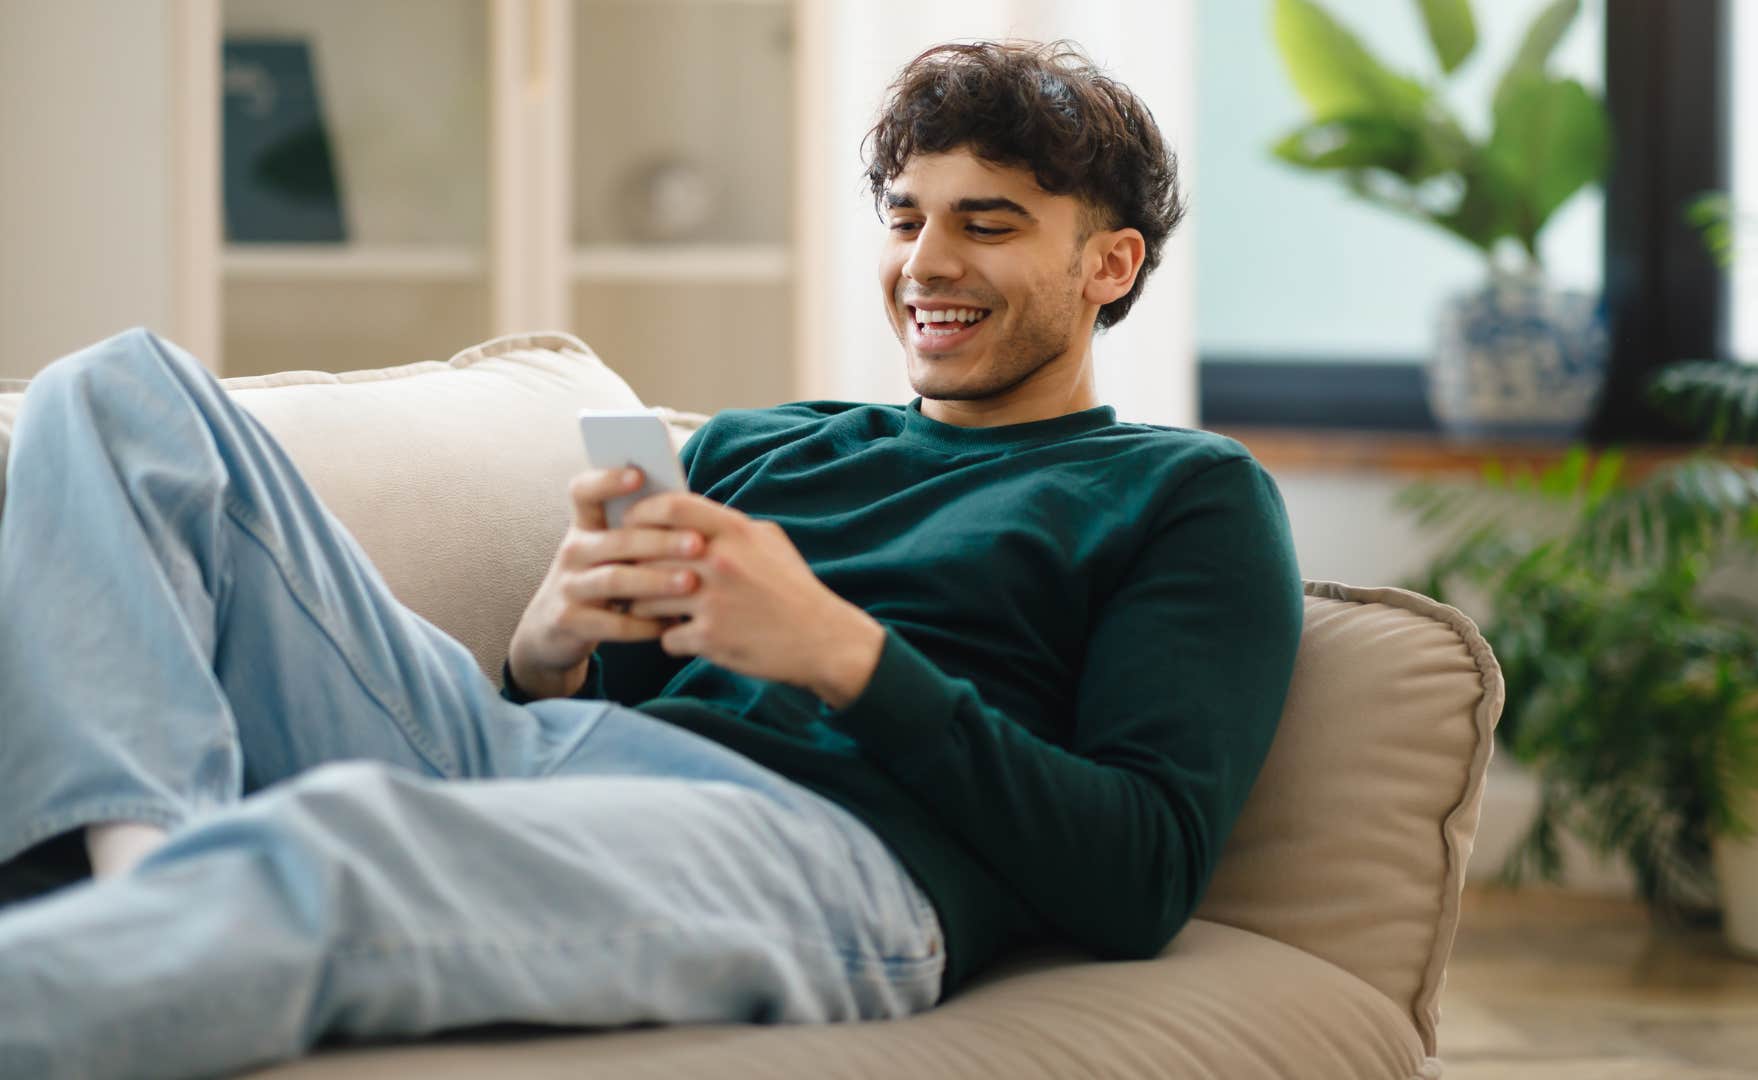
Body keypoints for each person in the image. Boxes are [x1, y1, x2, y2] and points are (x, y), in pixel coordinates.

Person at [0, 40, 1303, 1079]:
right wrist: (551, 648)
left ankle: (161, 933)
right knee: (120, 395)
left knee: (341, 844)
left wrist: (846, 656)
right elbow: (592, 724)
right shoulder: (765, 446)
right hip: (546, 766)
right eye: (905, 217)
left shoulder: (1182, 493)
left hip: (831, 858)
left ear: (1107, 264)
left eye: (990, 223)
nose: (927, 263)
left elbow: (1140, 874)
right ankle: (155, 886)